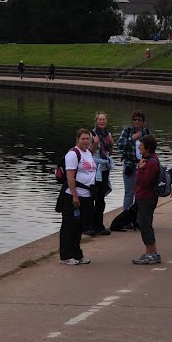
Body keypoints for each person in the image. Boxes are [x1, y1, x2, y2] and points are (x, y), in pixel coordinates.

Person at [59, 128, 96, 266]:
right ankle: (66, 256)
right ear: (78, 139)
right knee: (69, 226)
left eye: (88, 139)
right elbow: (70, 176)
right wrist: (75, 196)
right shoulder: (73, 154)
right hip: (73, 196)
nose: (86, 141)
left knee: (79, 226)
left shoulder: (88, 153)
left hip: (86, 195)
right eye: (83, 139)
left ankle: (76, 254)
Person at [131, 135, 162, 265]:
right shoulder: (151, 160)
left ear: (147, 148)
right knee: (145, 224)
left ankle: (151, 254)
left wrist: (140, 169)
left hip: (146, 198)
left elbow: (145, 182)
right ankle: (152, 252)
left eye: (141, 146)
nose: (139, 147)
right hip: (146, 197)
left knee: (145, 225)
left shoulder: (150, 164)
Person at [117, 110, 150, 209]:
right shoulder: (127, 131)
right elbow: (119, 145)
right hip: (129, 166)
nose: (137, 121)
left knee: (140, 194)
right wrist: (132, 139)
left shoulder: (146, 133)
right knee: (129, 193)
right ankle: (125, 220)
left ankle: (137, 219)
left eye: (139, 120)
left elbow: (151, 149)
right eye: (135, 119)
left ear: (143, 122)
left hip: (143, 167)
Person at [88, 111, 114, 236]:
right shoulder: (91, 135)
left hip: (104, 168)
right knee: (93, 196)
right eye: (100, 119)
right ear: (96, 121)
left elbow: (110, 153)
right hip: (94, 169)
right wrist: (95, 143)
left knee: (101, 198)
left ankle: (99, 225)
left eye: (104, 119)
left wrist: (111, 144)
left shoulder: (107, 134)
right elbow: (88, 153)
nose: (102, 121)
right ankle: (90, 226)